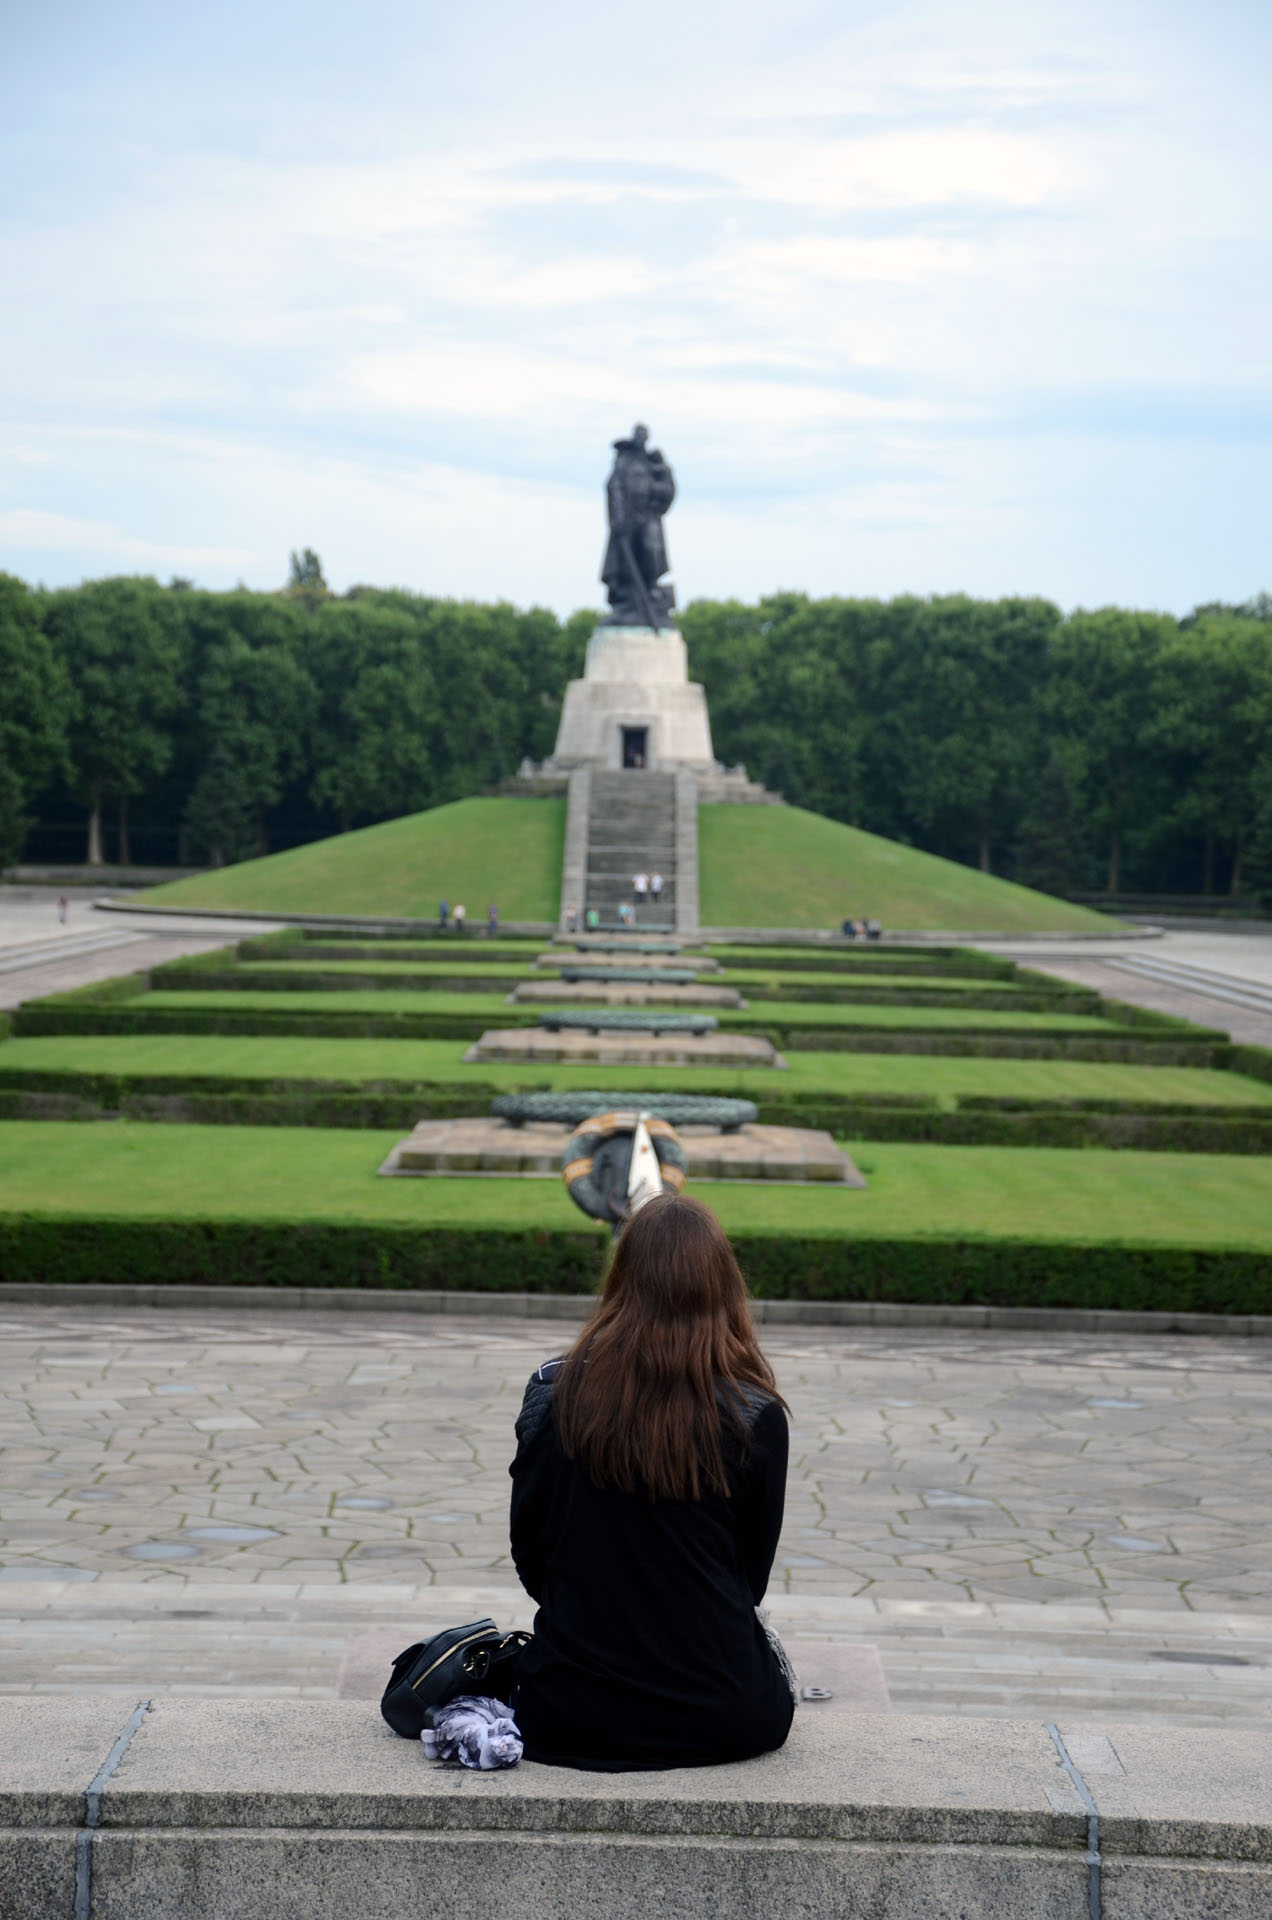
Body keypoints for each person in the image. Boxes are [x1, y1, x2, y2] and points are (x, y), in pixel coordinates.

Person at [508, 1194, 795, 1771]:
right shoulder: (755, 1413)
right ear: (722, 1285)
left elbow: (530, 1554)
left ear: (622, 1277)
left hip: (567, 1710)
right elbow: (749, 1582)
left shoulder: (552, 1392)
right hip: (724, 1714)